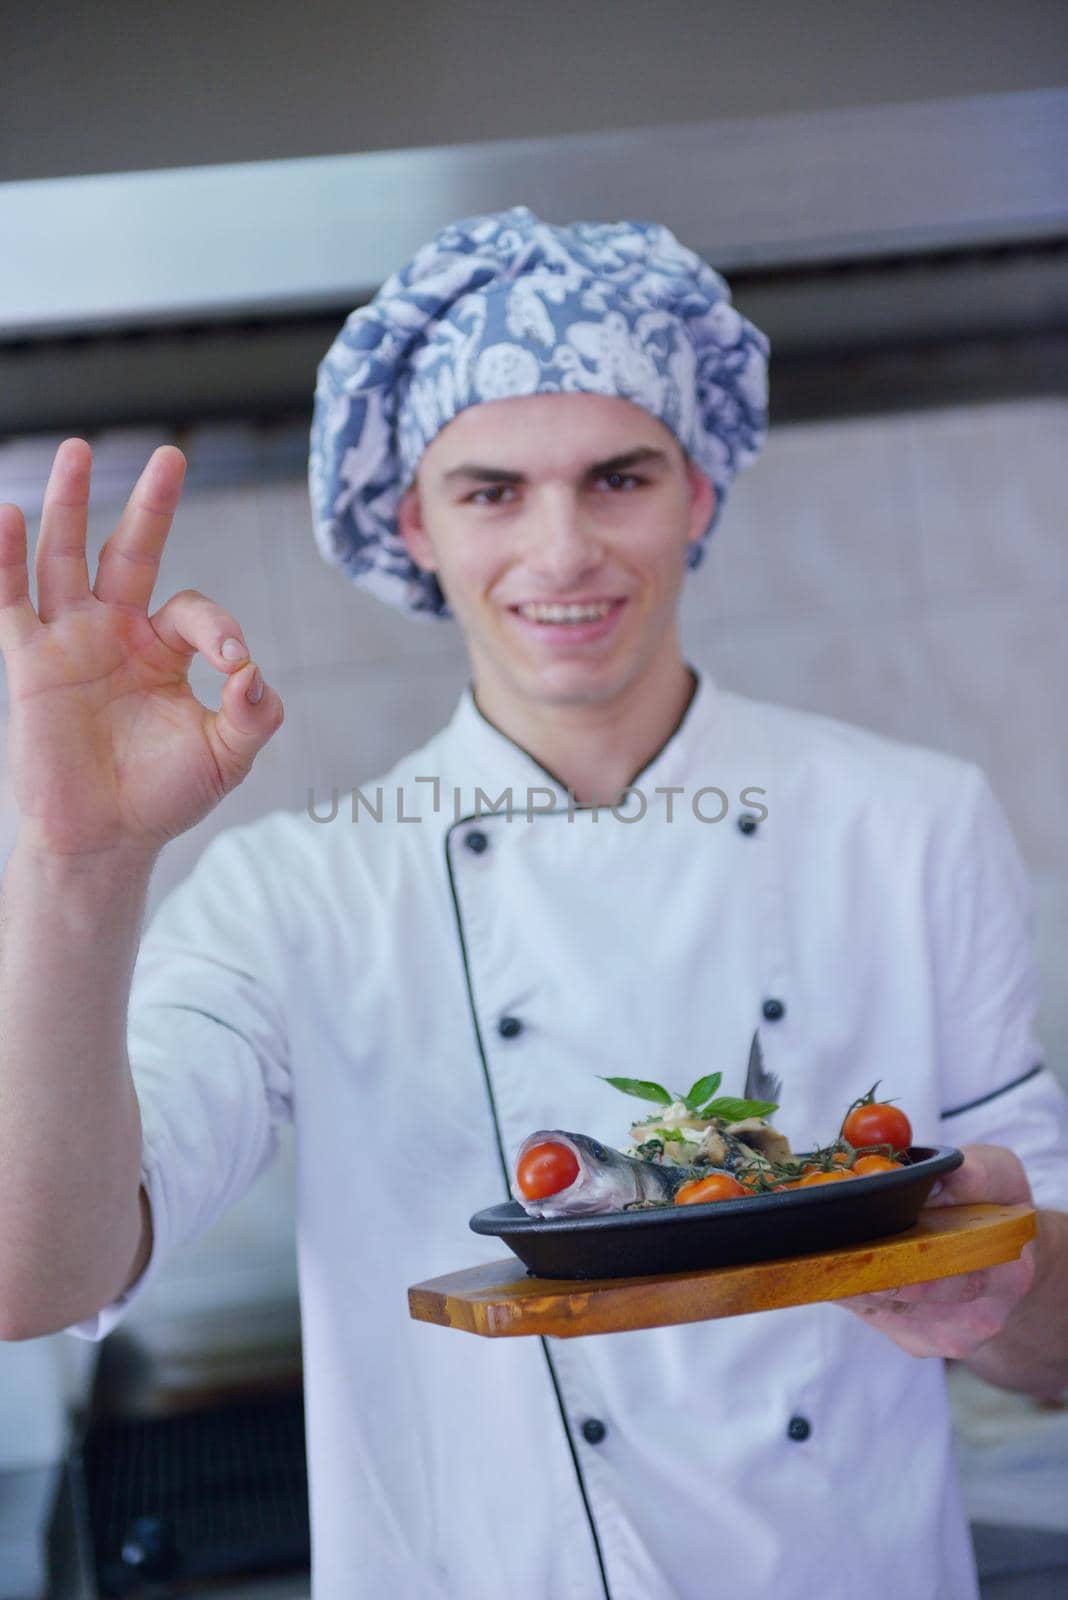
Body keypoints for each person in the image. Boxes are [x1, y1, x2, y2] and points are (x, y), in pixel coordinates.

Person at [1, 205, 1066, 1600]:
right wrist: (81, 871)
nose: (562, 552)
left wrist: (1000, 1285)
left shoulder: (915, 825)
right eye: (493, 491)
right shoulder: (300, 890)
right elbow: (45, 1277)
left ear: (698, 492)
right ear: (413, 524)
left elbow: (1052, 1354)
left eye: (617, 478)